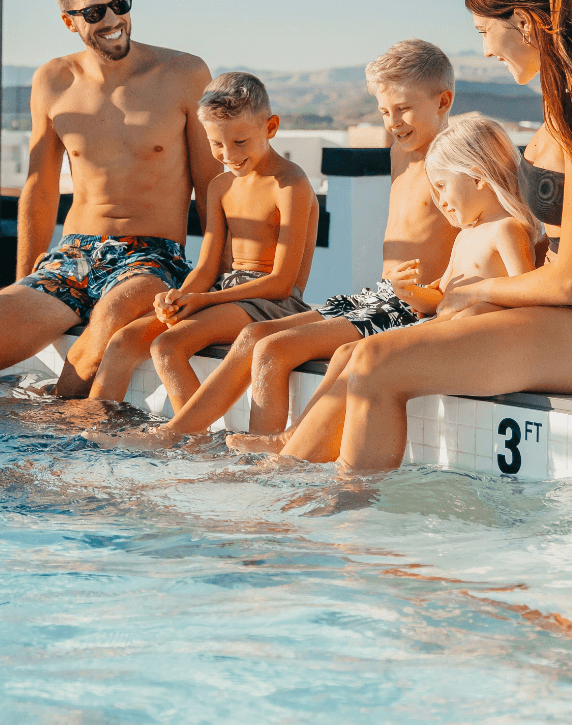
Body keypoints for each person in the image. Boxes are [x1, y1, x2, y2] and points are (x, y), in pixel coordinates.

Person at [273, 0, 572, 472]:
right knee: (356, 353)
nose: (487, 51)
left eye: (484, 32)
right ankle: (283, 495)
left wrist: (480, 289)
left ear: (522, 19)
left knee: (378, 360)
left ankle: (352, 532)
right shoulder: (571, 96)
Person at [115, 40, 458, 450]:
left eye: (402, 109)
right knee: (255, 339)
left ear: (443, 101)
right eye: (385, 111)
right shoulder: (398, 153)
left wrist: (437, 296)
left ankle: (245, 446)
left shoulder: (454, 159)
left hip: (412, 304)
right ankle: (204, 437)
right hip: (378, 294)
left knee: (272, 347)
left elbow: (479, 231)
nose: (393, 121)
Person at [0, 0, 220, 402]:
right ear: (70, 21)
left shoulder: (183, 73)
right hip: (74, 255)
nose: (114, 19)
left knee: (89, 349)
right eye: (96, 11)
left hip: (152, 259)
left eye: (121, 3)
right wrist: (23, 280)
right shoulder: (53, 81)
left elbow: (214, 188)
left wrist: (221, 283)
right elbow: (40, 188)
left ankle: (55, 442)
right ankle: (12, 456)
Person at [235, 111, 542, 457]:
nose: (441, 202)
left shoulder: (506, 230)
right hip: (437, 327)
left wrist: (481, 305)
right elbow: (440, 298)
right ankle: (295, 433)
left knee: (360, 356)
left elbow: (525, 297)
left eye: (442, 187)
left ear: (477, 177)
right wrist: (411, 294)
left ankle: (297, 444)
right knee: (346, 353)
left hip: (464, 340)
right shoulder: (466, 235)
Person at [87, 72, 318, 412]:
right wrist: (180, 296)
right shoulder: (220, 187)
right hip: (223, 295)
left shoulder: (290, 184)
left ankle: (195, 444)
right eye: (217, 144)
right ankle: (93, 439)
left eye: (240, 142)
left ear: (270, 128)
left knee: (167, 347)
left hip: (270, 303)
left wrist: (203, 301)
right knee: (124, 340)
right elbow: (208, 266)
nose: (228, 154)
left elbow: (282, 284)